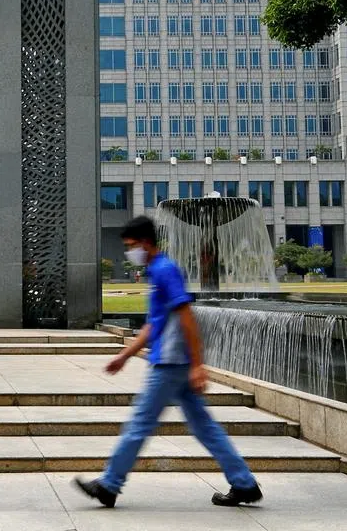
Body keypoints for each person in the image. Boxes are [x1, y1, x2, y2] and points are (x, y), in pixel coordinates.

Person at [74, 215, 262, 509]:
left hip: (170, 364)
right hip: (177, 363)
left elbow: (186, 316)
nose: (129, 252)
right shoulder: (156, 271)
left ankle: (110, 485)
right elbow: (153, 325)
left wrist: (199, 364)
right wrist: (125, 355)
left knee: (140, 424)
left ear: (146, 243)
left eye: (132, 245)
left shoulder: (165, 270)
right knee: (204, 427)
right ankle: (244, 483)